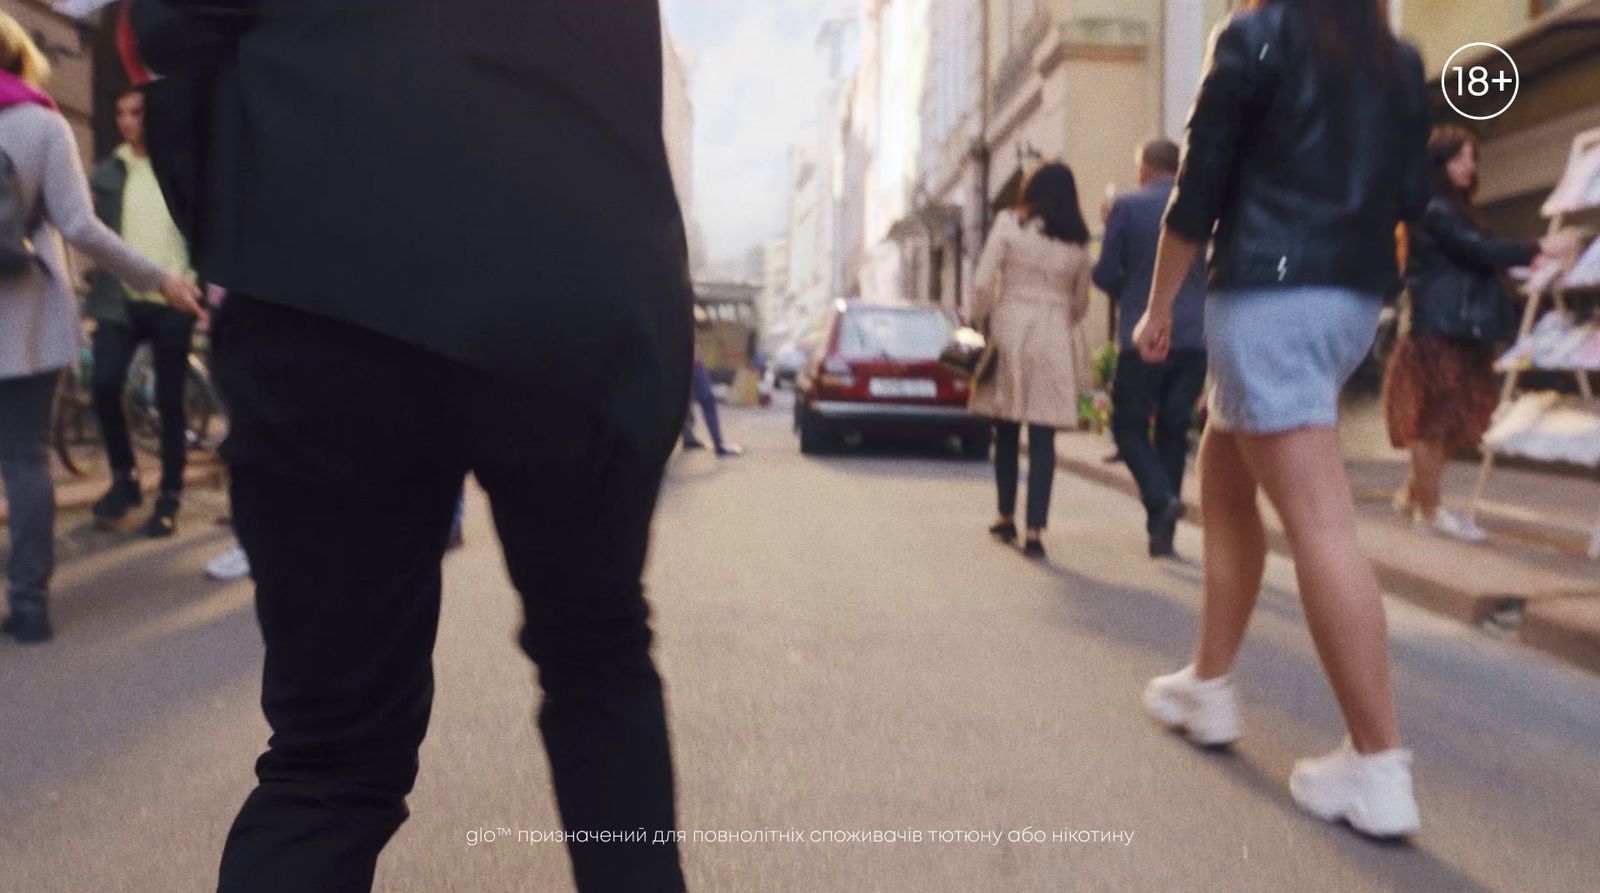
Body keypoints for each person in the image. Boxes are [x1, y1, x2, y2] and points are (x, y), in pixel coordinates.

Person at [132, 3, 691, 891]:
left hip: (320, 254)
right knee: (598, 660)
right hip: (567, 259)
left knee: (328, 756)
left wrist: (237, 237)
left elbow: (172, 26)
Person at [1132, 0, 1428, 837]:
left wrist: (1158, 308)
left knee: (1319, 524)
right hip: (1347, 302)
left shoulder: (1253, 38)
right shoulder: (1395, 61)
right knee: (1223, 479)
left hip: (1268, 294)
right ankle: (1209, 684)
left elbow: (1197, 194)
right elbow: (1411, 196)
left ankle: (1379, 766)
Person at [0, 13, 202, 644]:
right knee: (26, 460)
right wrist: (160, 277)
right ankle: (29, 605)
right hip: (24, 325)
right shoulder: (41, 124)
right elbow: (81, 228)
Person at [1383, 125, 1572, 542]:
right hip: (1440, 330)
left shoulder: (1450, 209)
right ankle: (1430, 513)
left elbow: (1477, 255)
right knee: (1435, 423)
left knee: (1452, 422)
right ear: (1439, 163)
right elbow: (1477, 251)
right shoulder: (1434, 209)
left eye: (1472, 159)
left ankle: (1414, 496)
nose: (1470, 167)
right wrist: (1539, 247)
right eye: (1460, 158)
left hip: (1458, 328)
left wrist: (1523, 262)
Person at [85, 84, 201, 537]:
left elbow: (201, 226)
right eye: (121, 113)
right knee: (104, 383)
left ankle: (169, 495)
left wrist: (193, 278)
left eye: (136, 112)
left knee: (170, 401)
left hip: (175, 297)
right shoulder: (110, 172)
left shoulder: (181, 168)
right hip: (120, 299)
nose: (128, 121)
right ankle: (124, 479)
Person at [969, 162, 1093, 560]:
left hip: (1010, 328)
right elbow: (1080, 301)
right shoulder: (1077, 241)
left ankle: (1006, 515)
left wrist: (980, 317)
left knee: (1005, 428)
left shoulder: (1009, 224)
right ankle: (1035, 531)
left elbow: (984, 282)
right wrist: (1060, 317)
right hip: (1054, 332)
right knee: (1043, 438)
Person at [1093, 138, 1208, 558]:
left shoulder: (1127, 207)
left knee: (1128, 425)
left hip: (1143, 334)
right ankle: (1163, 534)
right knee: (1174, 428)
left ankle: (1160, 498)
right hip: (1193, 336)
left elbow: (1105, 273)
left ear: (1144, 168)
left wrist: (1131, 293)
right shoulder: (1199, 204)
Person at [682, 348, 743, 457]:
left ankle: (688, 438)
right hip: (685, 354)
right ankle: (719, 446)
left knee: (683, 400)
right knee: (707, 399)